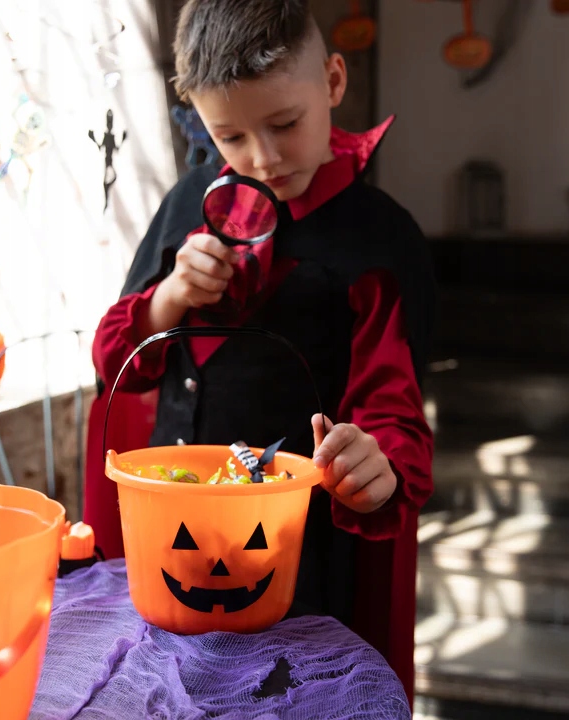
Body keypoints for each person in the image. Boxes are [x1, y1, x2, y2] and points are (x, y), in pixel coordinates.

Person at [87, 0, 435, 707]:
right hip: (172, 544)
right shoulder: (189, 202)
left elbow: (392, 407)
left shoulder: (380, 239)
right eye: (231, 136)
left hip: (299, 563)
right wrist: (170, 296)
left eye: (285, 124)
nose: (264, 158)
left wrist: (375, 468)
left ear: (333, 82)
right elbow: (116, 360)